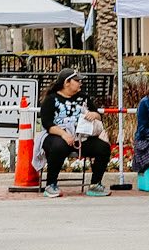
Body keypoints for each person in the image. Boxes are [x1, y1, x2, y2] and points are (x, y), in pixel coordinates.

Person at [39, 68, 110, 198]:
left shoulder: (84, 98)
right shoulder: (51, 99)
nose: (80, 83)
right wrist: (64, 134)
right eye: (77, 80)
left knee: (103, 148)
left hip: (81, 137)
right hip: (57, 135)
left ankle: (95, 184)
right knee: (58, 146)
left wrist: (94, 115)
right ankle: (51, 184)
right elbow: (47, 124)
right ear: (66, 83)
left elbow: (98, 115)